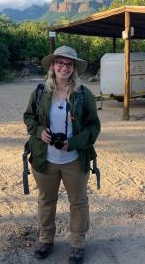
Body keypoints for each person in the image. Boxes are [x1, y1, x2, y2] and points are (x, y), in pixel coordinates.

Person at [23, 46, 100, 264]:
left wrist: (73, 143)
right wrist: (39, 132)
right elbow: (29, 118)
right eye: (60, 63)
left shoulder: (83, 94)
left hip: (74, 160)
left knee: (78, 202)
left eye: (69, 64)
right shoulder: (40, 92)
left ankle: (77, 242)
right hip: (44, 159)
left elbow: (94, 127)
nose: (64, 67)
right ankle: (46, 238)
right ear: (52, 66)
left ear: (74, 68)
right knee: (46, 200)